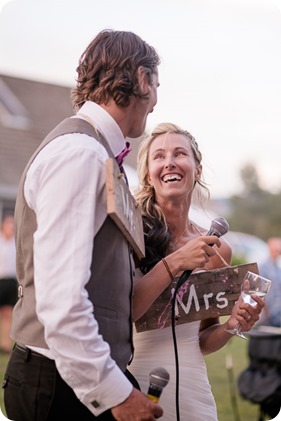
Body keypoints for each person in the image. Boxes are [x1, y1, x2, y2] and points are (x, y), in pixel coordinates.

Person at [2, 30, 221, 421]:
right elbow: (60, 301)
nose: (155, 100)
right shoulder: (80, 154)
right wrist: (115, 392)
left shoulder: (96, 152)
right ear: (141, 79)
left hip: (72, 377)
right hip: (60, 384)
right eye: (155, 86)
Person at [129, 122, 265, 421]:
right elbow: (123, 312)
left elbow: (202, 340)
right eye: (159, 156)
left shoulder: (216, 249)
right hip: (134, 383)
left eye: (180, 154)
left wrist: (232, 326)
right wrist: (177, 261)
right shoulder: (129, 235)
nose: (170, 162)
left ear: (197, 169)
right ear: (148, 174)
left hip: (193, 393)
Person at [0, 214, 17, 353]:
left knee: (8, 313)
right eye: (8, 224)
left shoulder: (16, 244)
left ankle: (5, 344)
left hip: (11, 282)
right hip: (0, 280)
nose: (11, 227)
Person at [258, 237, 281, 327]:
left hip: (277, 311)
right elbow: (260, 290)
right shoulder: (263, 267)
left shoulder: (278, 268)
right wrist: (265, 310)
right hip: (266, 313)